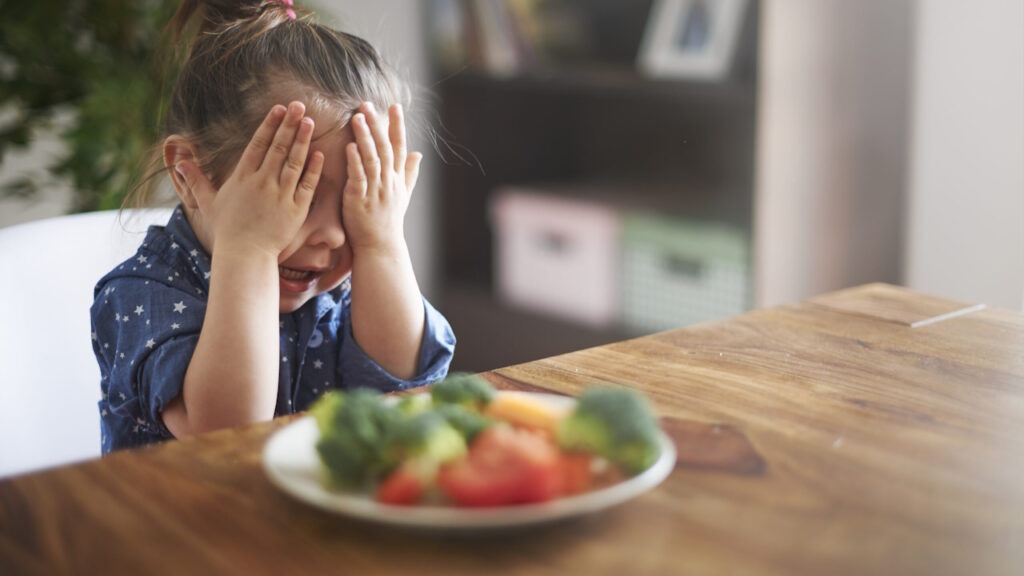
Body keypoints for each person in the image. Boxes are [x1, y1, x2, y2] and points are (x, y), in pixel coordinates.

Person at [90, 0, 455, 453]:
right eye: (295, 196)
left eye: (353, 203)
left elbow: (406, 386)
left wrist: (381, 243)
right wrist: (249, 250)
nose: (333, 235)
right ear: (189, 175)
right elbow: (227, 432)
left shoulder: (343, 282)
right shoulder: (143, 293)